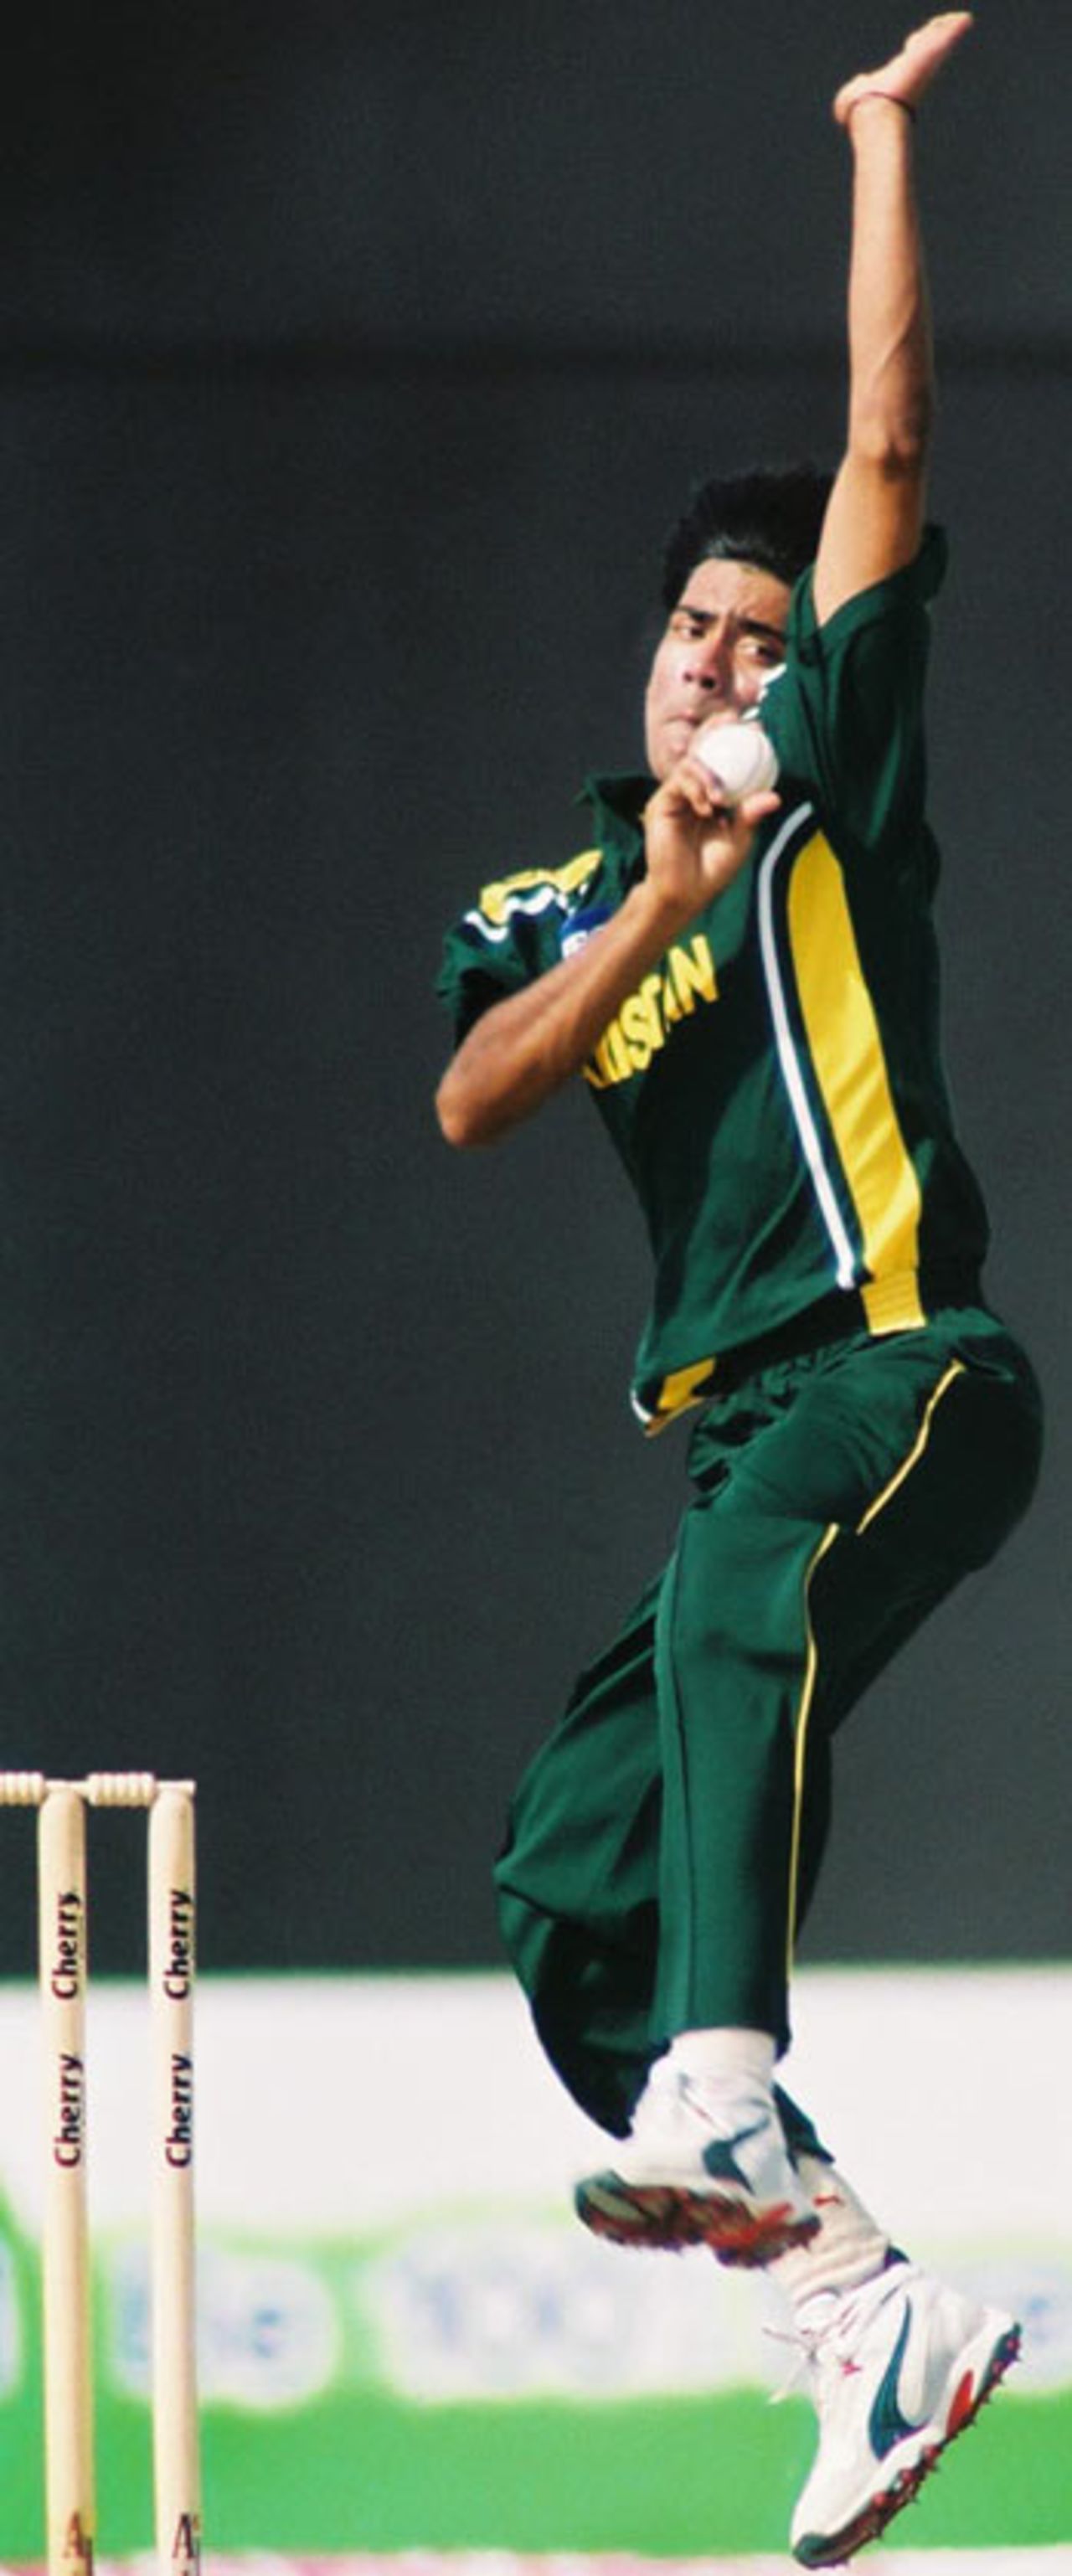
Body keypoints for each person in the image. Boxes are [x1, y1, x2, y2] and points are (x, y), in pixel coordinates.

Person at [436, 14, 1043, 2567]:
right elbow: (480, 1088)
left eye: (751, 633)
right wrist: (659, 900)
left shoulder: (829, 776)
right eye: (690, 625)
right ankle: (862, 2313)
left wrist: (882, 147)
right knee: (563, 1877)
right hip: (736, 1428)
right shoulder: (561, 896)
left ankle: (725, 2076)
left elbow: (887, 439)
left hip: (909, 1370)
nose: (713, 659)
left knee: (737, 1598)